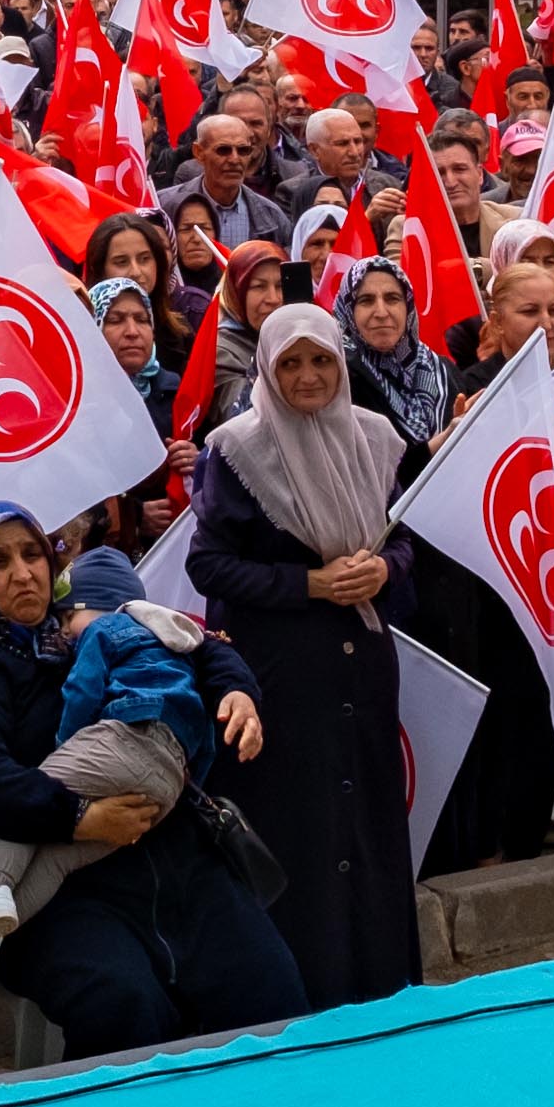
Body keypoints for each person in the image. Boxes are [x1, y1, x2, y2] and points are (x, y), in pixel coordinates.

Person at [0, 511, 299, 1056]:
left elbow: (196, 642)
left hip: (174, 857)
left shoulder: (87, 620)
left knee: (271, 990)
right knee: (124, 1009)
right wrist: (77, 818)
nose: (23, 573)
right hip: (60, 884)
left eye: (32, 554)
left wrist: (236, 691)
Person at [178, 304, 424, 1013]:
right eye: (290, 363)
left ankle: (379, 986)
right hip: (281, 673)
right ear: (267, 367)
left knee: (367, 823)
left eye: (321, 361)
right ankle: (302, 995)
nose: (308, 376)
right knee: (299, 829)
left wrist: (383, 570)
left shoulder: (375, 438)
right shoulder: (237, 450)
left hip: (363, 667)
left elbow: (406, 540)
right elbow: (208, 565)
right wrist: (308, 584)